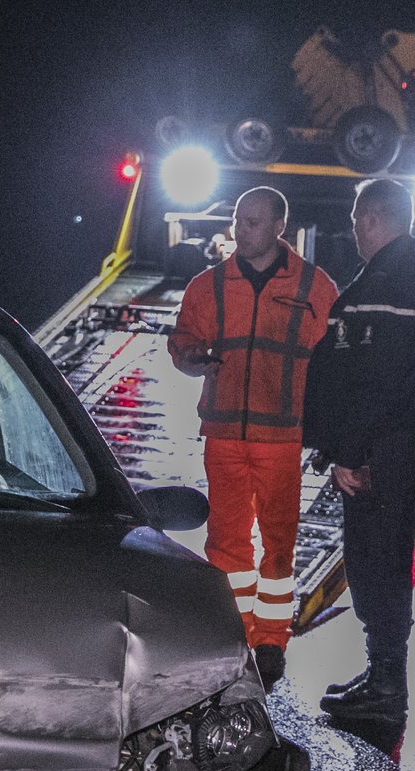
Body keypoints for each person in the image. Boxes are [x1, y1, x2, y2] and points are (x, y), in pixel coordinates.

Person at [168, 187, 339, 689]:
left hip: (281, 437)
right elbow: (182, 339)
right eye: (239, 220)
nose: (240, 230)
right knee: (225, 541)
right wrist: (190, 356)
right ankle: (233, 635)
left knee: (279, 544)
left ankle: (270, 641)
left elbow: (333, 360)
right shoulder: (209, 286)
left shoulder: (315, 287)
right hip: (223, 433)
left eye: (253, 222)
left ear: (279, 228)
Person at [303, 178, 415, 736]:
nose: (353, 231)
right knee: (384, 554)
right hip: (403, 443)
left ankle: (387, 688)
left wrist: (350, 452)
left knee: (374, 560)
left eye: (355, 220)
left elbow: (374, 380)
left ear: (370, 219)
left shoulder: (386, 285)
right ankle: (381, 677)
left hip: (380, 449)